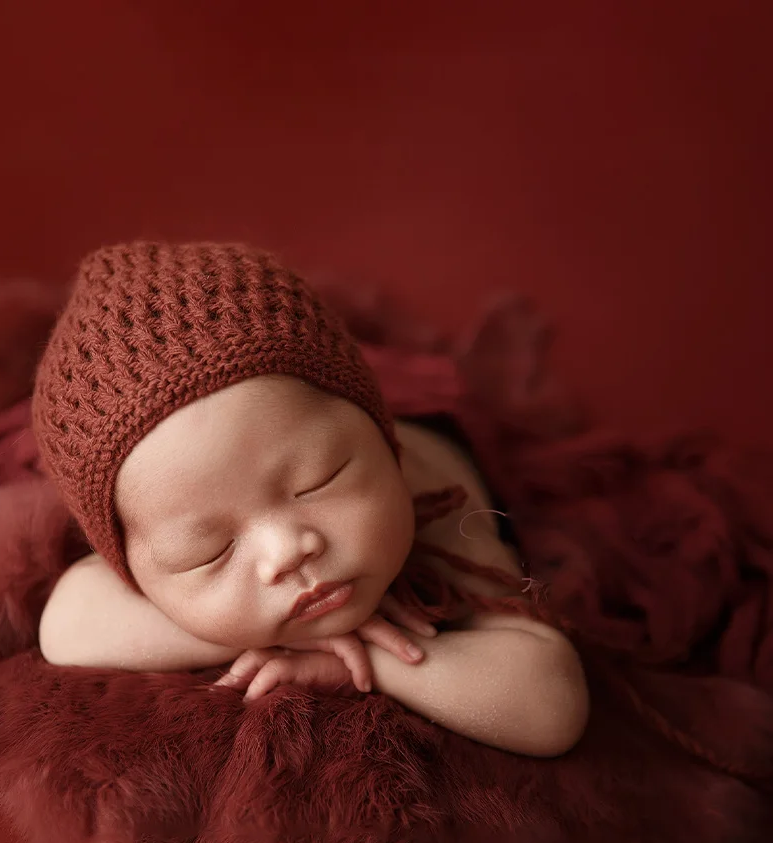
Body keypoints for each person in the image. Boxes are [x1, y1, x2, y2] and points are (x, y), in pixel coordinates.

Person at [33, 242, 588, 757]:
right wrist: (240, 628)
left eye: (318, 482)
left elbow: (551, 708)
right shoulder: (166, 503)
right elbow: (65, 627)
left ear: (382, 443)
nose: (288, 552)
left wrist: (374, 660)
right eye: (209, 552)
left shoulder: (439, 508)